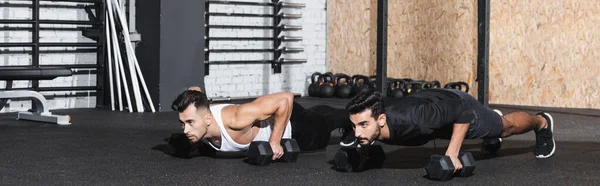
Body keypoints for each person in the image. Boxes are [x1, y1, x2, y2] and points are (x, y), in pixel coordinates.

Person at [341, 88, 555, 172]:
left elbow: (461, 112)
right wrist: (362, 153)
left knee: (504, 129)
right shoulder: (366, 120)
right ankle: (491, 123)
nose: (357, 133)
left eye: (363, 126)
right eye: (354, 126)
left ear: (381, 120)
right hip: (434, 109)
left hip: (459, 106)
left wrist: (452, 153)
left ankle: (541, 122)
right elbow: (364, 130)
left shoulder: (417, 120)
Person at [169, 87, 351, 160]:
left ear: (208, 120)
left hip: (294, 126)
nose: (186, 129)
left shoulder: (236, 119)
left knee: (325, 124)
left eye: (191, 122)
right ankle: (320, 111)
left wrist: (274, 141)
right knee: (318, 113)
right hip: (284, 116)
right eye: (183, 123)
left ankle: (353, 116)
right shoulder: (202, 118)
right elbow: (195, 90)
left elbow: (285, 98)